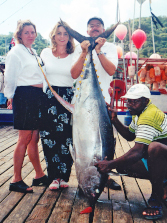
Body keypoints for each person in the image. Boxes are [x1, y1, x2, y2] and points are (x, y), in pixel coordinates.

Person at [95, 84, 167, 220]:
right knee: (123, 166)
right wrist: (114, 120)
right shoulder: (139, 112)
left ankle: (156, 201)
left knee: (154, 148)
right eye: (128, 100)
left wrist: (110, 164)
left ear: (146, 101)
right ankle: (166, 181)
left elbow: (138, 152)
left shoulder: (149, 115)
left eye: (135, 101)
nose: (130, 104)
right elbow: (130, 135)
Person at [70, 17, 121, 190]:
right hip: (83, 103)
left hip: (103, 103)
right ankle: (95, 174)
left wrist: (98, 50)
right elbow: (74, 74)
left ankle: (104, 176)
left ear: (103, 29)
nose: (94, 28)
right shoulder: (79, 48)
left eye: (98, 26)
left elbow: (112, 70)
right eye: (91, 26)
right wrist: (85, 52)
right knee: (85, 139)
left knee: (106, 142)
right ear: (87, 30)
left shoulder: (111, 47)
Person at [4, 20, 48, 193]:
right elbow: (10, 77)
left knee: (34, 137)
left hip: (37, 97)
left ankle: (38, 175)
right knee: (25, 137)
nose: (30, 35)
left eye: (32, 32)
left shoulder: (32, 52)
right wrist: (10, 97)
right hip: (25, 96)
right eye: (26, 32)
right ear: (19, 35)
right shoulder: (16, 52)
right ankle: (16, 179)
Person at [40, 21, 75, 191]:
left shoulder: (75, 54)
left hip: (68, 98)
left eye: (65, 34)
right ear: (53, 35)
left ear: (69, 37)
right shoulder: (45, 53)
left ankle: (64, 176)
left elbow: (77, 78)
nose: (62, 37)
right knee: (49, 138)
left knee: (67, 138)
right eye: (59, 33)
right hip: (49, 98)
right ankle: (54, 177)